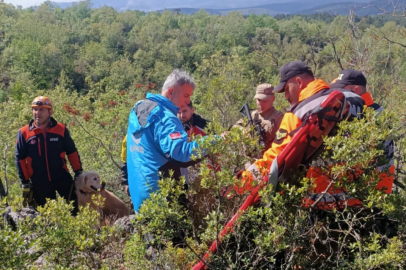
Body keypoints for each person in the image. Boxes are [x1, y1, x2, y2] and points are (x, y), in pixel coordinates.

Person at [238, 61, 365, 204]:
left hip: (320, 198)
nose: (286, 95)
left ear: (298, 82)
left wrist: (242, 182)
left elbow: (276, 157)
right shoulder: (349, 101)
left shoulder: (299, 112)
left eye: (286, 89)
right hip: (359, 194)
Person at [127, 69, 207, 212]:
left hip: (141, 197)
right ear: (171, 92)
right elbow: (181, 154)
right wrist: (216, 142)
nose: (188, 101)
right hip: (164, 200)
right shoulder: (165, 118)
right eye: (186, 95)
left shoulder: (138, 107)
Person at [330, 69, 395, 194]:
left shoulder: (370, 114)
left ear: (356, 91)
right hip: (373, 191)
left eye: (343, 89)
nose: (340, 93)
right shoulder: (375, 111)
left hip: (370, 194)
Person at [15, 96, 83, 214]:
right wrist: (25, 181)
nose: (37, 113)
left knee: (75, 210)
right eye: (35, 109)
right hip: (39, 181)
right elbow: (19, 158)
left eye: (41, 109)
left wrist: (78, 172)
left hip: (62, 177)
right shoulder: (24, 133)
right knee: (47, 216)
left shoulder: (61, 129)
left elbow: (71, 151)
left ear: (50, 112)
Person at [234, 83, 284, 149]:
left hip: (268, 156)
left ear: (273, 99)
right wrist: (245, 131)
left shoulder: (280, 118)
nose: (260, 104)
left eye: (264, 100)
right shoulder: (252, 115)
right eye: (258, 100)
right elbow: (235, 127)